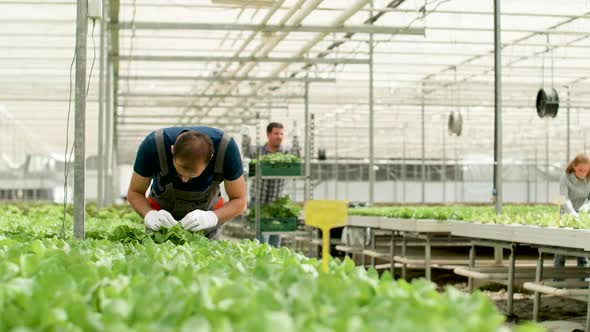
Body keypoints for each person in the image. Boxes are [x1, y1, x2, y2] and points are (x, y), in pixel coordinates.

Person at [127, 126, 247, 240]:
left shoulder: (226, 149)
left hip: (206, 227)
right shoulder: (154, 145)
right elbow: (135, 192)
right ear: (172, 150)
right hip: (161, 227)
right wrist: (149, 214)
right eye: (180, 173)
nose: (184, 180)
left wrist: (212, 217)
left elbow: (240, 201)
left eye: (193, 176)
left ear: (211, 158)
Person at [250, 122, 289, 247]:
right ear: (268, 134)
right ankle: (262, 257)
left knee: (276, 235)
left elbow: (298, 159)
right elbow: (246, 153)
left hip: (277, 201)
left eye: (282, 133)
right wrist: (245, 137)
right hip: (259, 199)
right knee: (260, 234)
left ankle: (274, 260)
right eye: (276, 133)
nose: (279, 136)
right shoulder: (259, 151)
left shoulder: (287, 153)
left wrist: (296, 140)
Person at [554, 153, 590, 269]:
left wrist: (587, 207)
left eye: (586, 170)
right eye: (580, 170)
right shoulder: (565, 177)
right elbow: (564, 199)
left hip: (582, 215)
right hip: (565, 215)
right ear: (574, 166)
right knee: (562, 249)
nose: (583, 173)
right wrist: (572, 213)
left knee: (582, 247)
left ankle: (584, 280)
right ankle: (558, 279)